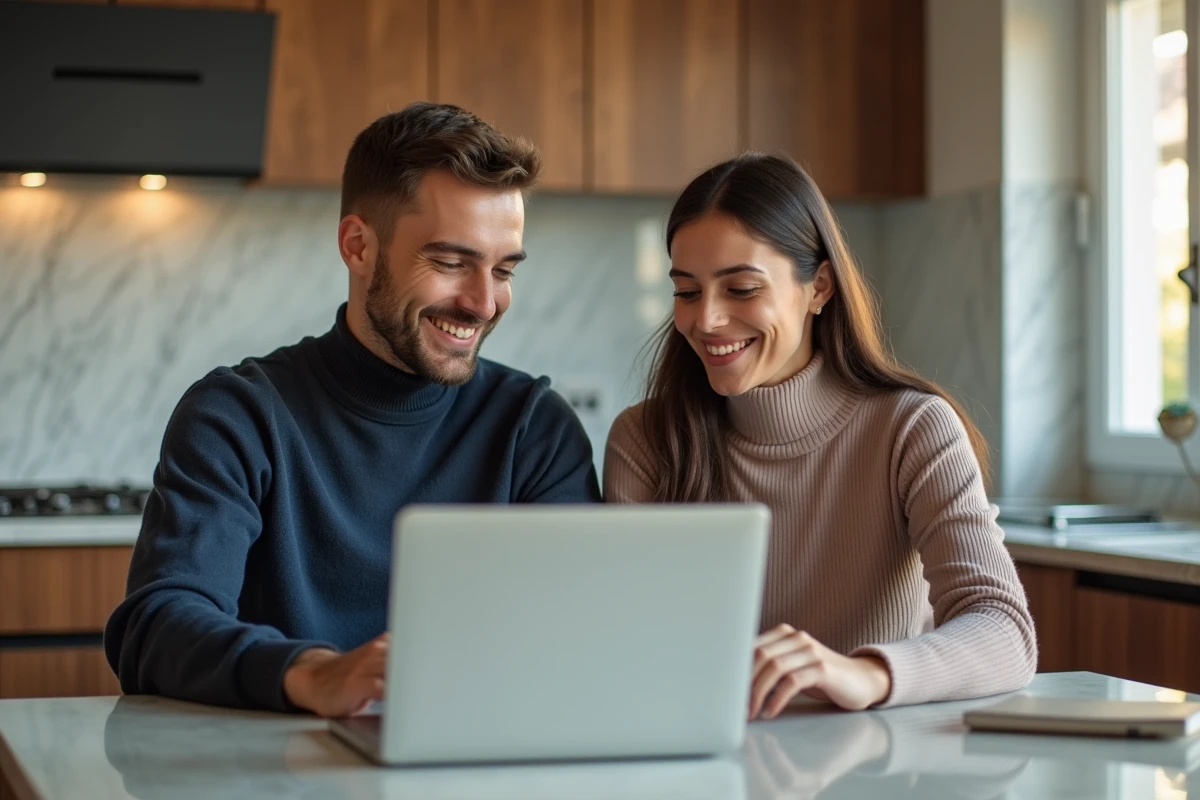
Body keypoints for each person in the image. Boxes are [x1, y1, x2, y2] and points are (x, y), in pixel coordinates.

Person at [105, 102, 601, 716]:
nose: (483, 301)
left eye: (503, 270)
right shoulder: (238, 415)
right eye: (450, 262)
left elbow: (581, 641)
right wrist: (310, 673)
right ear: (358, 246)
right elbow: (155, 627)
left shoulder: (535, 429)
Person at [604, 153, 1036, 716]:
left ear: (819, 288)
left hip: (879, 769)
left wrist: (865, 673)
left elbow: (1004, 630)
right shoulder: (644, 441)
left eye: (740, 289)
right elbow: (629, 647)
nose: (705, 320)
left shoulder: (911, 428)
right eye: (687, 291)